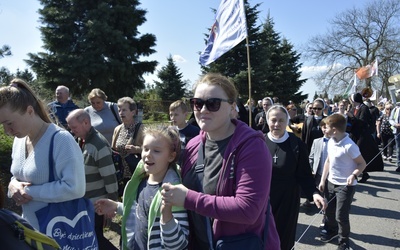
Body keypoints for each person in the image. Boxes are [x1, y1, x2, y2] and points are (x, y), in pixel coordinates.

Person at [160, 73, 281, 250]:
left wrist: (188, 199)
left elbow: (248, 210)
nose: (203, 110)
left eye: (213, 103)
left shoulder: (252, 147)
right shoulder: (193, 145)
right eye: (197, 103)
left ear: (233, 108)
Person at [2, 79, 85, 231]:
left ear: (30, 111)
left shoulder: (61, 139)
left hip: (60, 235)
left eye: (9, 123)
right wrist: (12, 185)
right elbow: (19, 176)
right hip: (32, 234)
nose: (7, 131)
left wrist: (27, 192)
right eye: (2, 125)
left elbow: (75, 188)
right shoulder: (19, 140)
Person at [95, 126, 189, 250]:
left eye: (156, 151)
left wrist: (166, 216)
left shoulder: (173, 192)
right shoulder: (140, 182)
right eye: (145, 149)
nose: (148, 155)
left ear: (171, 156)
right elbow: (143, 212)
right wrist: (117, 206)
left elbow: (178, 245)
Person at [264, 105, 326, 250]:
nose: (277, 124)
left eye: (281, 120)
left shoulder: (296, 144)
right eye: (273, 120)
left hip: (288, 200)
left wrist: (314, 193)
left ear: (287, 121)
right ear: (268, 121)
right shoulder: (259, 141)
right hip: (263, 199)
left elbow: (304, 174)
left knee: (283, 238)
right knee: (262, 236)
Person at [66, 109, 119, 250]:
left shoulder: (98, 144)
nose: (71, 131)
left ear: (86, 122)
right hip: (85, 203)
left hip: (97, 205)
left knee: (96, 239)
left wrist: (112, 204)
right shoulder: (81, 140)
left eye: (74, 127)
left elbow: (110, 177)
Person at [318, 114, 367, 250]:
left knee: (341, 215)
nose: (324, 130)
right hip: (330, 182)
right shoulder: (332, 141)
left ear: (334, 130)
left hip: (345, 185)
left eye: (326, 127)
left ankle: (344, 240)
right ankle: (332, 231)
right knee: (328, 210)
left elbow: (362, 163)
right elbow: (328, 161)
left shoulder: (350, 146)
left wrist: (354, 175)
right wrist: (323, 180)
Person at [347, 93, 383, 182]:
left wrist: (352, 117)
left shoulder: (364, 108)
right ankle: (357, 172)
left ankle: (364, 173)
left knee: (360, 153)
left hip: (362, 135)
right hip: (354, 134)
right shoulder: (353, 108)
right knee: (351, 153)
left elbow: (362, 122)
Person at [111, 97, 144, 194]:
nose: (121, 113)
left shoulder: (142, 129)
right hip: (120, 174)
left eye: (124, 110)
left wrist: (137, 149)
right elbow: (113, 149)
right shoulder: (117, 129)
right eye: (119, 110)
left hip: (135, 174)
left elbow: (150, 149)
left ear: (133, 112)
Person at [169, 100, 200, 165]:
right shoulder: (170, 131)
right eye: (171, 115)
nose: (172, 118)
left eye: (176, 115)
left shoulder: (194, 131)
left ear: (185, 114)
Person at [389, 101, 400, 172]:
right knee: (398, 149)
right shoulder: (396, 109)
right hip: (397, 131)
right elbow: (391, 119)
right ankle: (399, 165)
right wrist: (395, 124)